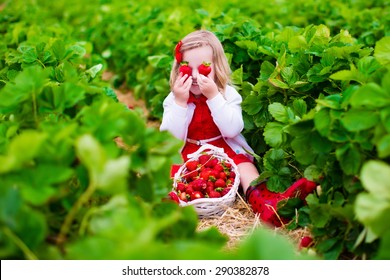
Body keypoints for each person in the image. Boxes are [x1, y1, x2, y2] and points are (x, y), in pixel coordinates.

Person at [160, 30, 316, 227]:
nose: (195, 76)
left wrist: (214, 97)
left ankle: (268, 205)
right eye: (186, 68)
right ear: (177, 69)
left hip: (223, 149)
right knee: (170, 169)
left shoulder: (227, 93)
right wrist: (180, 103)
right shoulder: (174, 99)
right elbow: (168, 139)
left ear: (217, 67)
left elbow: (232, 129)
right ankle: (170, 204)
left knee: (246, 167)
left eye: (204, 67)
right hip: (189, 152)